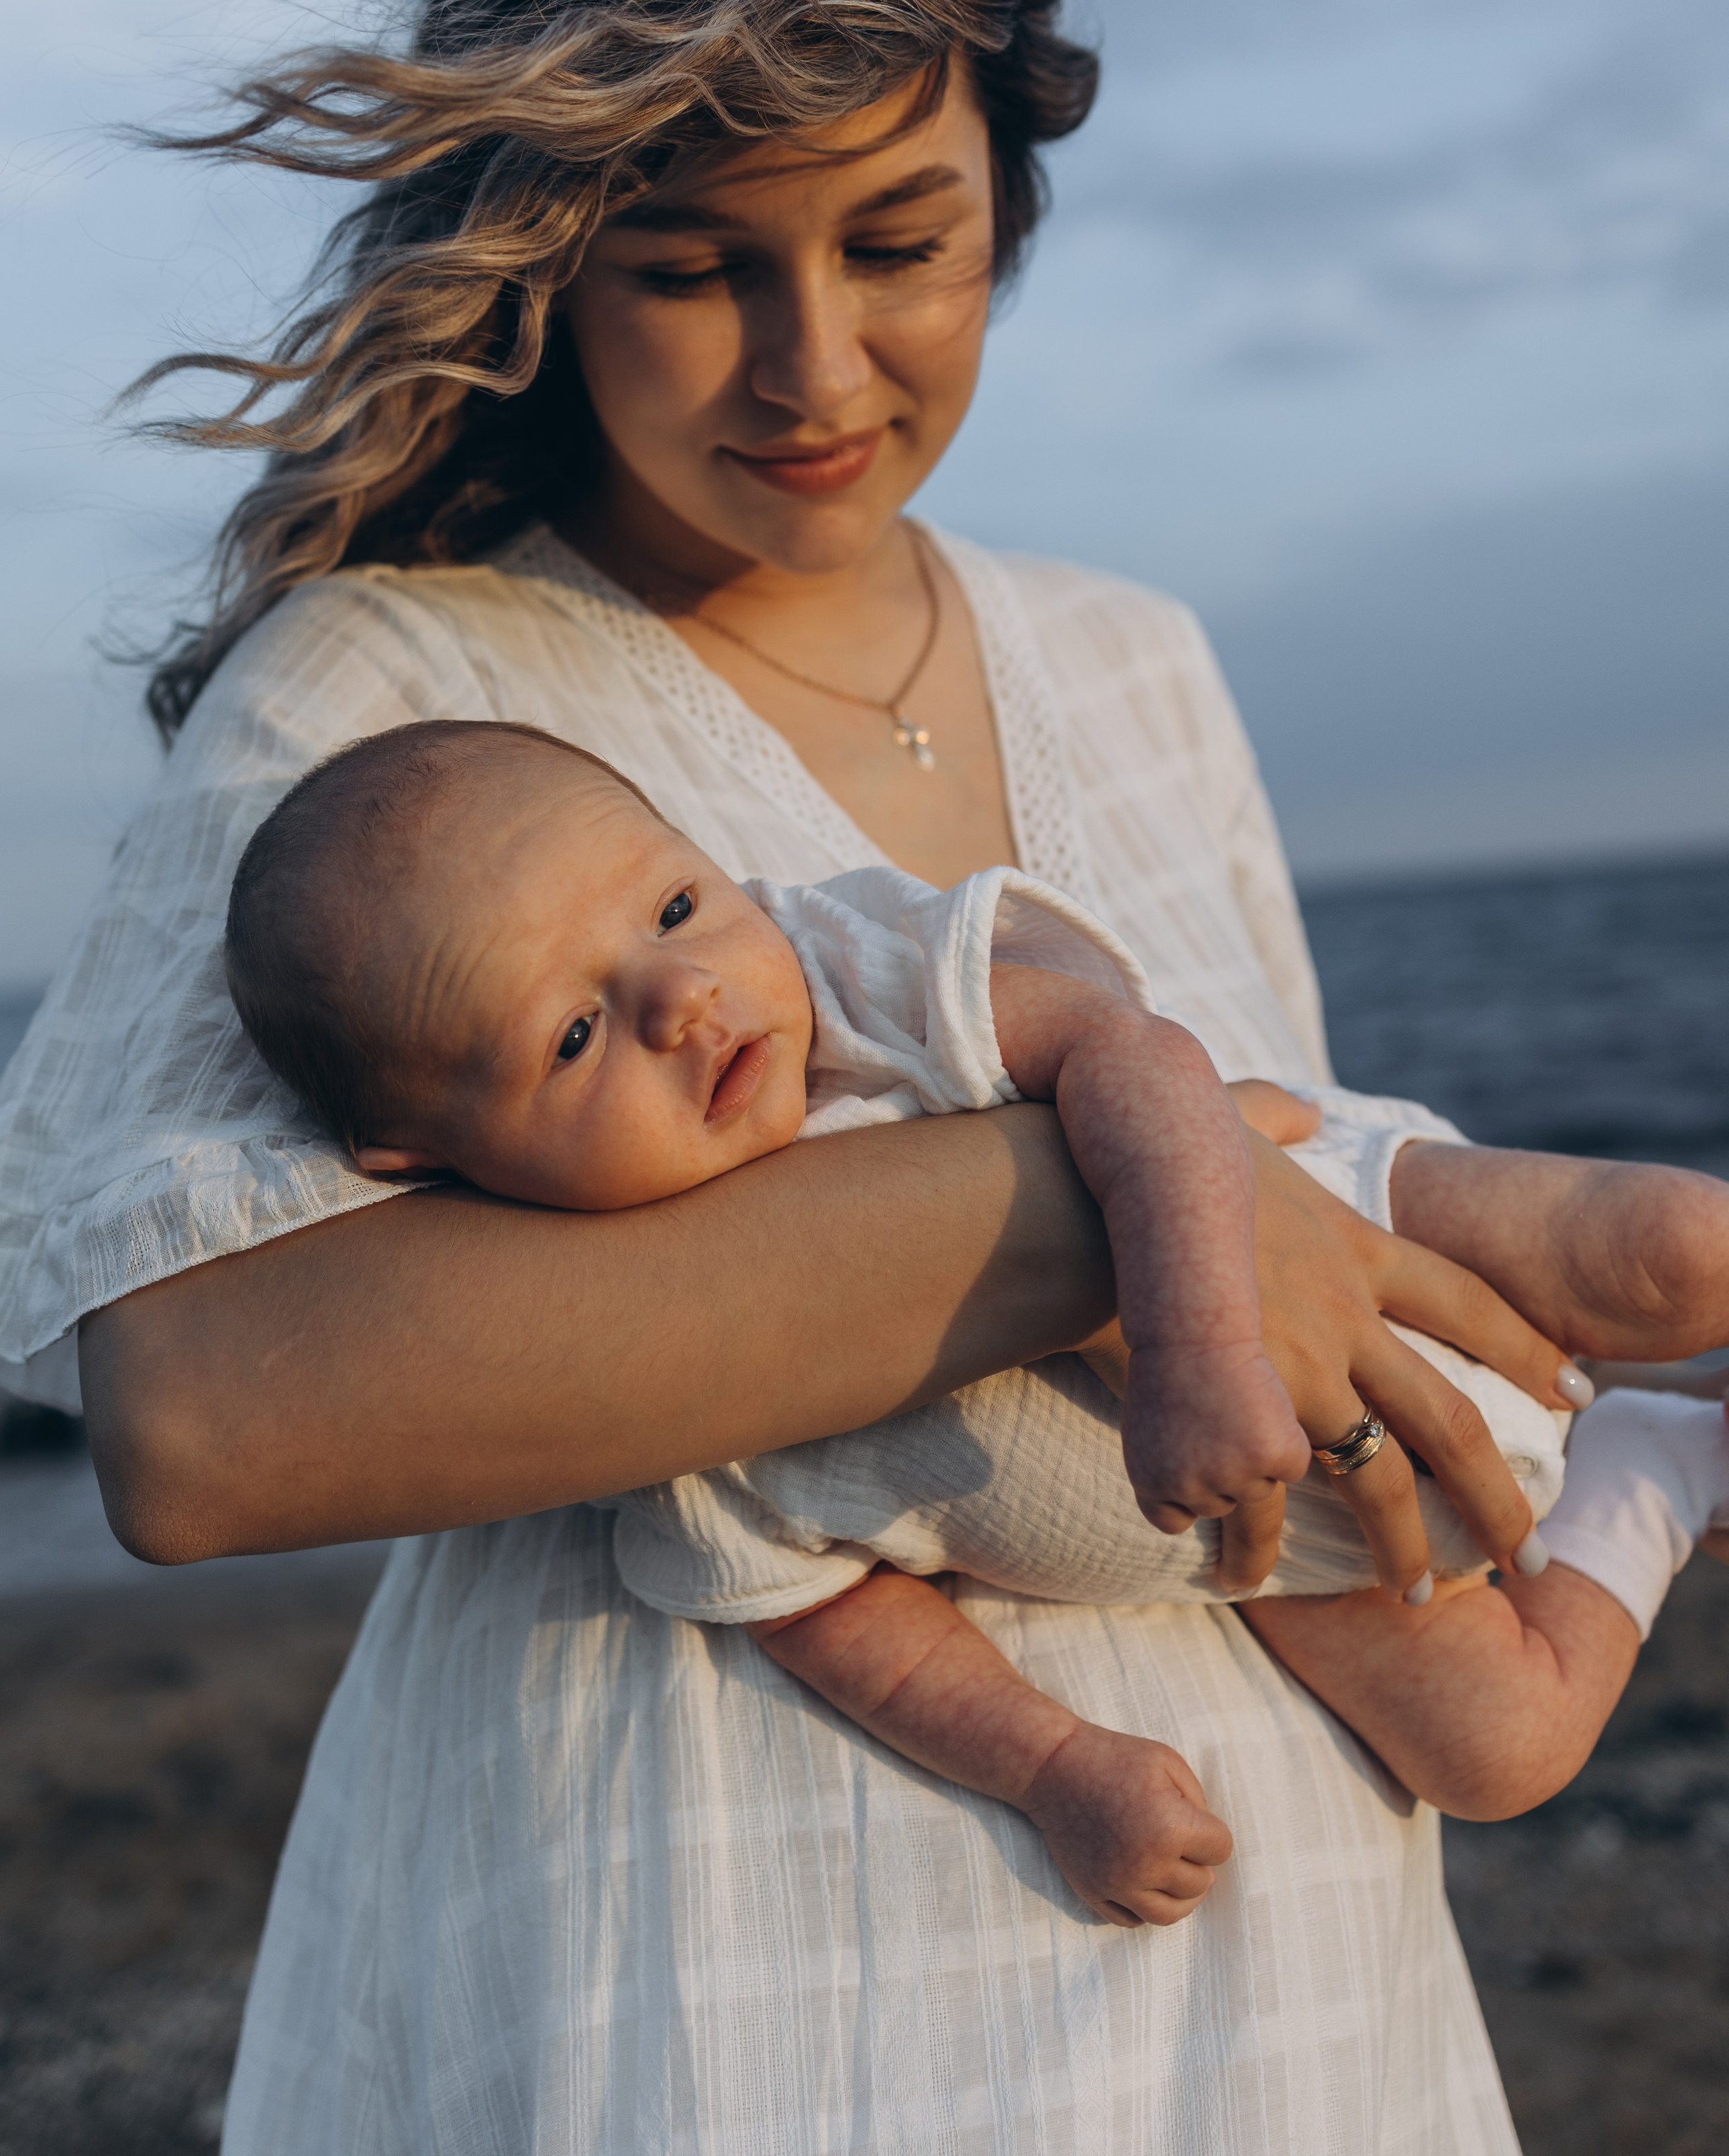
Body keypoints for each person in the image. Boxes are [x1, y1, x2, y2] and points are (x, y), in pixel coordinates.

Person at [2, 0, 1727, 2152]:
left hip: (1285, 2001)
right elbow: (204, 1417)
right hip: (695, 1991)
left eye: (899, 242)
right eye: (695, 266)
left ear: (1006, 195)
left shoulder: (1137, 661)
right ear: (543, 255)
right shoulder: (386, 692)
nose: (818, 369)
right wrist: (1110, 1201)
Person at [216, 714, 1729, 1926]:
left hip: (1349, 1222)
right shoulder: (653, 1394)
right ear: (423, 1166)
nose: (680, 994)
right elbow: (836, 1623)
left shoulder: (867, 998)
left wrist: (1197, 1338)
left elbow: (1127, 1052)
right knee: (1497, 1752)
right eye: (568, 1034)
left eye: (675, 904)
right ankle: (1658, 1466)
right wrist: (1057, 1770)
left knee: (1674, 1249)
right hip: (1297, 1552)